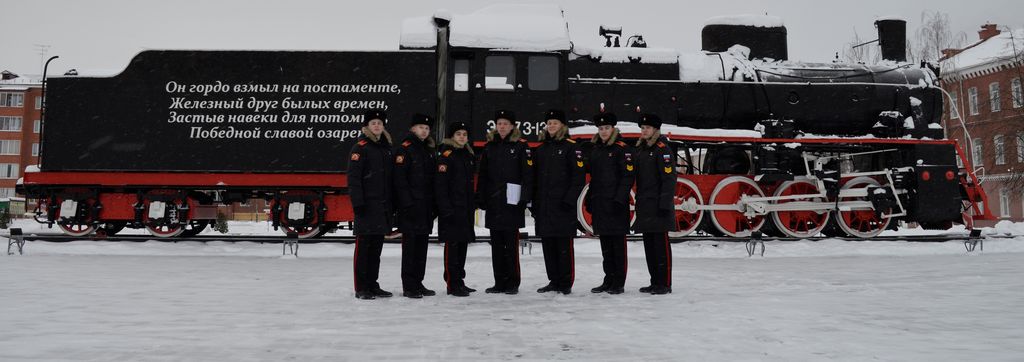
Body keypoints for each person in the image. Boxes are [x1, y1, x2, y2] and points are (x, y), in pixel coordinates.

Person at [476, 110, 532, 295]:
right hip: (494, 202)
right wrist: (481, 197)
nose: (501, 126)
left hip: (512, 203)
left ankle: (513, 282)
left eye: (505, 123)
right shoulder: (489, 147)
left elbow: (527, 175)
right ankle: (499, 281)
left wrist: (524, 198)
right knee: (497, 246)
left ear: (512, 126)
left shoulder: (521, 146)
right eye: (499, 123)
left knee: (511, 245)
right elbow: (483, 175)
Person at [532, 109, 585, 294]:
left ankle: (565, 282)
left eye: (555, 122)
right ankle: (553, 280)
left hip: (563, 206)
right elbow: (535, 179)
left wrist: (569, 200)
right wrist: (534, 203)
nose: (552, 126)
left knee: (563, 246)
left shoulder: (572, 147)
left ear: (562, 125)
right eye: (549, 123)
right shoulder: (541, 149)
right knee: (548, 245)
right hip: (545, 206)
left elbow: (578, 178)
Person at [348, 109, 396, 300]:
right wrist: (358, 203)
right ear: (367, 126)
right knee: (363, 249)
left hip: (382, 207)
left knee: (376, 249)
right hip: (366, 207)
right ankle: (361, 287)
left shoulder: (386, 148)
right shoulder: (360, 148)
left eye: (379, 123)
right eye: (373, 123)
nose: (377, 126)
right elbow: (354, 179)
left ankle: (372, 284)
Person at [584, 112, 635, 295]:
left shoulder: (622, 149)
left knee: (618, 246)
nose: (603, 131)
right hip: (600, 203)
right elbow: (594, 178)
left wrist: (619, 199)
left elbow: (627, 177)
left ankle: (618, 282)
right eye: (601, 128)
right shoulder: (596, 150)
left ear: (613, 128)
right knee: (606, 245)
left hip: (615, 204)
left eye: (606, 128)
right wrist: (590, 197)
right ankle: (608, 279)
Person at [394, 113, 437, 299]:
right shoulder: (405, 149)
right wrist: (407, 204)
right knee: (410, 249)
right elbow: (399, 180)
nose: (424, 131)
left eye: (427, 128)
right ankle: (409, 286)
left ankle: (418, 282)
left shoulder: (427, 150)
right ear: (413, 129)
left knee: (421, 248)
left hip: (425, 207)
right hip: (411, 207)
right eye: (421, 127)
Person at [632, 113, 676, 295]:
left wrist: (664, 204)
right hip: (645, 204)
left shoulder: (662, 149)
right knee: (650, 246)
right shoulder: (642, 149)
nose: (644, 131)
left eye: (647, 128)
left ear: (655, 130)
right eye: (642, 128)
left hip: (658, 205)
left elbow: (669, 179)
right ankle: (654, 281)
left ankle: (664, 283)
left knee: (661, 246)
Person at [435, 122, 477, 297]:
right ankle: (452, 283)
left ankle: (460, 280)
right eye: (458, 134)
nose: (461, 137)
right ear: (452, 136)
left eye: (464, 134)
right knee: (452, 248)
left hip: (465, 208)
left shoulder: (467, 154)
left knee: (462, 246)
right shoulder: (446, 155)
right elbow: (441, 185)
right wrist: (445, 208)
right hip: (452, 209)